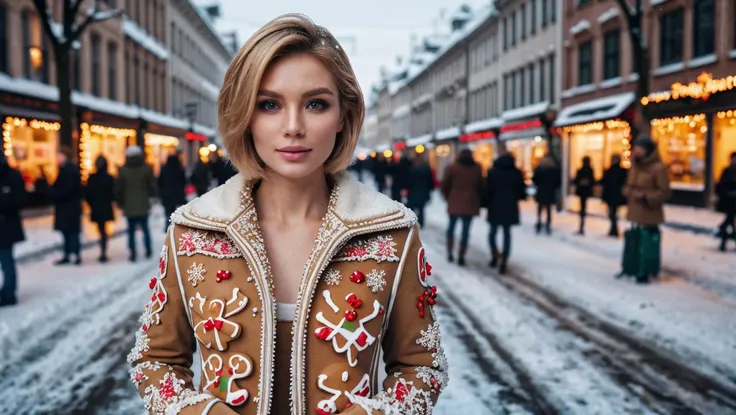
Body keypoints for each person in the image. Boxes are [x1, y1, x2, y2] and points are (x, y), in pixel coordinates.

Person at [127, 14, 447, 415]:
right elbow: (155, 360)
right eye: (269, 105)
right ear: (244, 115)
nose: (293, 127)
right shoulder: (195, 228)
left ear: (343, 115)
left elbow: (422, 366)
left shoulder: (390, 232)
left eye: (315, 104)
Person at [621, 137, 670, 284]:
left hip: (649, 212)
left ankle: (646, 271)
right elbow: (629, 185)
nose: (635, 150)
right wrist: (627, 191)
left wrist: (646, 197)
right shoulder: (635, 166)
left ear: (647, 150)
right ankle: (633, 268)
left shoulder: (658, 168)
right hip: (635, 211)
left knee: (647, 243)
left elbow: (665, 192)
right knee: (634, 241)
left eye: (639, 148)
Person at [440, 148, 484, 266]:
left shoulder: (452, 168)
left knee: (451, 228)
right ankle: (461, 255)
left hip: (454, 202)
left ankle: (449, 252)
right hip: (470, 203)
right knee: (465, 231)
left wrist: (448, 196)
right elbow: (481, 186)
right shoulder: (477, 168)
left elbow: (444, 184)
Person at [485, 151, 526, 274]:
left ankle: (494, 254)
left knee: (492, 232)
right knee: (507, 233)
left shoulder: (493, 172)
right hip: (510, 206)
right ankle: (504, 259)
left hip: (495, 205)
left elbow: (487, 190)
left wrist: (485, 202)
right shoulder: (517, 173)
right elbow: (521, 192)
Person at [116, 145, 157, 262]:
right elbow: (152, 186)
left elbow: (119, 189)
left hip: (129, 205)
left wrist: (120, 204)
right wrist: (153, 198)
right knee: (145, 228)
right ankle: (148, 249)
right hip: (143, 203)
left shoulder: (123, 170)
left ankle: (132, 251)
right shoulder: (147, 169)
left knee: (131, 230)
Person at [0, 152, 26, 307]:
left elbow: (20, 199)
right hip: (7, 225)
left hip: (7, 226)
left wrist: (5, 203)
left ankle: (9, 292)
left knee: (7, 260)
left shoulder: (12, 176)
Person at [51, 146, 83, 265]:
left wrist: (55, 194)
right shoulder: (66, 170)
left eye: (59, 156)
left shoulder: (69, 171)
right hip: (67, 207)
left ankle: (73, 254)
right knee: (68, 232)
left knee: (71, 232)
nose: (57, 158)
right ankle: (69, 253)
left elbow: (66, 189)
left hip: (69, 207)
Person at [85, 155, 115, 262]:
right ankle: (103, 251)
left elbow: (87, 194)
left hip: (96, 207)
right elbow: (113, 194)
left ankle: (103, 251)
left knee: (101, 229)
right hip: (105, 206)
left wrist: (91, 204)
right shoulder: (109, 178)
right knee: (103, 230)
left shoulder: (92, 178)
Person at [531, 155, 560, 235]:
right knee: (548, 208)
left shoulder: (540, 169)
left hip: (542, 190)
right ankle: (547, 224)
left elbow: (534, 179)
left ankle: (540, 222)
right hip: (549, 191)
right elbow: (558, 182)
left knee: (541, 208)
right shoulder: (554, 170)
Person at [600, 154, 628, 237]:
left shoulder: (612, 171)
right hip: (615, 195)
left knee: (612, 213)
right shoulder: (614, 170)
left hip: (614, 195)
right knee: (612, 213)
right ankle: (613, 229)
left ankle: (614, 230)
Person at [158, 152, 187, 231]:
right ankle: (177, 227)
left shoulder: (164, 169)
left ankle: (168, 226)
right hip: (178, 193)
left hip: (167, 194)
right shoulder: (180, 169)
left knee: (168, 211)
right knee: (178, 211)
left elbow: (160, 182)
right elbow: (184, 181)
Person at [407, 152, 435, 228]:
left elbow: (408, 181)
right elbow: (430, 181)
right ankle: (421, 223)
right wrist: (430, 189)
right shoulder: (426, 168)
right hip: (423, 192)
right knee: (421, 208)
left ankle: (411, 222)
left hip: (413, 192)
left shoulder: (411, 168)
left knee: (412, 208)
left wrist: (407, 188)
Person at [715, 152, 736, 251]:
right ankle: (724, 240)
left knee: (730, 221)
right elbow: (721, 185)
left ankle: (723, 233)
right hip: (728, 201)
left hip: (733, 201)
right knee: (730, 220)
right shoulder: (726, 171)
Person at [573, 156, 595, 235]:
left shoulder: (581, 170)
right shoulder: (589, 170)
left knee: (582, 208)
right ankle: (581, 226)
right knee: (583, 208)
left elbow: (576, 180)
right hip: (585, 191)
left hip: (582, 191)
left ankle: (581, 226)